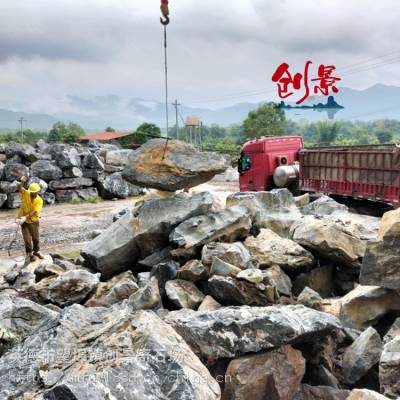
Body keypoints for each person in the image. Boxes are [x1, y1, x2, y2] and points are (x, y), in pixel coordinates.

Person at [17, 176, 44, 262]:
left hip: (33, 221)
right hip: (23, 220)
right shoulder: (26, 194)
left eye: (34, 192)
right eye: (31, 192)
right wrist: (22, 181)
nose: (32, 193)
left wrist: (25, 217)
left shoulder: (39, 200)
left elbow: (34, 211)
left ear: (37, 191)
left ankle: (37, 251)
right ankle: (29, 254)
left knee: (36, 238)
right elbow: (20, 188)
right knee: (27, 239)